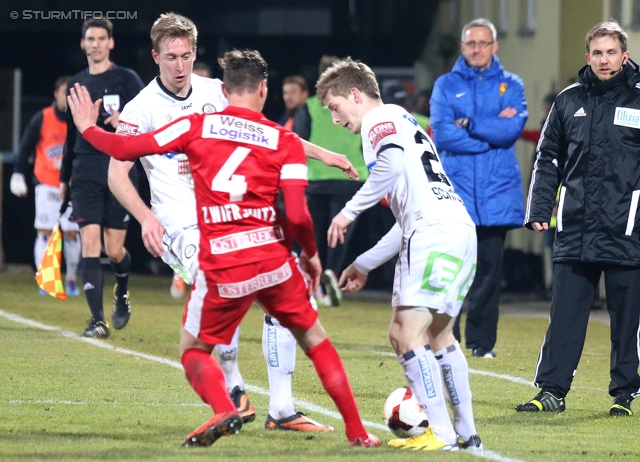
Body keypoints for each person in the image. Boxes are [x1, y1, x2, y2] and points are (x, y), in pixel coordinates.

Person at [67, 48, 380, 449]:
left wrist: (88, 128)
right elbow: (299, 216)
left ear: (223, 89)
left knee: (194, 351)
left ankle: (226, 404)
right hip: (272, 259)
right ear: (264, 89)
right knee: (316, 341)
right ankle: (357, 432)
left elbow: (126, 149)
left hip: (222, 262)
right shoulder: (281, 138)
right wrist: (310, 257)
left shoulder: (195, 126)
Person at [108, 13, 349, 432]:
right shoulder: (141, 108)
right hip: (179, 226)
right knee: (216, 280)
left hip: (231, 221)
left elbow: (265, 131)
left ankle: (282, 409)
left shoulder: (215, 92)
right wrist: (145, 218)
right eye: (170, 57)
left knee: (284, 291)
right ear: (155, 57)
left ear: (195, 53)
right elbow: (116, 171)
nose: (179, 65)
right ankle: (235, 388)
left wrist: (322, 154)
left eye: (186, 55)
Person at [319, 57, 482, 451]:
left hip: (434, 232)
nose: (336, 120)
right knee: (439, 334)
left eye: (335, 108)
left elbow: (389, 168)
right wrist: (364, 263)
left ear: (354, 94)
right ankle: (466, 434)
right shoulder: (405, 121)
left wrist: (347, 212)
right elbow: (406, 215)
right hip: (457, 228)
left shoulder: (379, 120)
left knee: (403, 333)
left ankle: (438, 431)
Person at [516, 21, 640, 417]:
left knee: (627, 321)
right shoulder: (568, 101)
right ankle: (551, 391)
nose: (605, 60)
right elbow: (547, 158)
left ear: (625, 55)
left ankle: (625, 394)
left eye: (611, 52)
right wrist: (538, 209)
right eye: (597, 53)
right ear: (588, 58)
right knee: (565, 317)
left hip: (627, 228)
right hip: (575, 227)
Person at [430, 18, 527, 358]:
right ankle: (447, 338)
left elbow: (512, 130)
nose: (476, 49)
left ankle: (482, 343)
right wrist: (491, 135)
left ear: (494, 46)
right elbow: (442, 134)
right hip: (455, 194)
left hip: (496, 194)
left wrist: (470, 126)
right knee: (452, 271)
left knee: (489, 271)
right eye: (471, 43)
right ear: (462, 47)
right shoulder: (445, 84)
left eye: (483, 43)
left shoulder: (511, 84)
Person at [61, 18, 144, 338]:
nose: (94, 44)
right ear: (82, 44)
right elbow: (71, 134)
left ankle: (121, 289)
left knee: (114, 250)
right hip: (85, 171)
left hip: (119, 168)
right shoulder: (76, 84)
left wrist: (128, 118)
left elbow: (150, 118)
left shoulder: (127, 79)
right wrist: (64, 176)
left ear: (111, 43)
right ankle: (97, 320)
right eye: (89, 39)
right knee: (90, 243)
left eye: (100, 38)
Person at [292, 55, 369, 307]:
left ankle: (314, 281)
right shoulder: (357, 106)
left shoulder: (311, 106)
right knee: (340, 234)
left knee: (314, 235)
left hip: (316, 180)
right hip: (351, 178)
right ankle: (332, 275)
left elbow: (297, 142)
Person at [10, 75, 81, 296]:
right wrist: (18, 173)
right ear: (56, 94)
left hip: (71, 186)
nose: (67, 97)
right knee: (44, 232)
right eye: (64, 92)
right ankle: (47, 279)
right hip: (46, 184)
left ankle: (70, 279)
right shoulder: (42, 118)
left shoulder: (80, 119)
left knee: (71, 233)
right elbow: (25, 148)